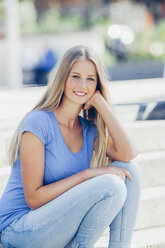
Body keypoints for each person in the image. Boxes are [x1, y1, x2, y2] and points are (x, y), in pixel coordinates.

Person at [0, 45, 142, 248]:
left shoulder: (87, 130)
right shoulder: (38, 123)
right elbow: (34, 199)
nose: (82, 85)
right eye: (75, 76)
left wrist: (101, 103)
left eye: (91, 79)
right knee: (111, 185)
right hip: (18, 229)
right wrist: (89, 174)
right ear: (63, 78)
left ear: (97, 84)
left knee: (130, 171)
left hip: (56, 228)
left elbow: (128, 153)